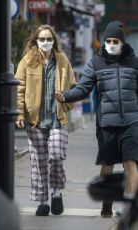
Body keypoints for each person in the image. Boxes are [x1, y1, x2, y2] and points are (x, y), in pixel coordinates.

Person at [55, 20, 138, 217]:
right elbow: (83, 88)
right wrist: (65, 95)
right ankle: (107, 205)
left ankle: (130, 207)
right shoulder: (96, 63)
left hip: (132, 122)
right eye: (108, 40)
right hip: (107, 124)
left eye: (115, 40)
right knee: (107, 165)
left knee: (131, 163)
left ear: (122, 42)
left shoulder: (134, 63)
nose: (111, 43)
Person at [15, 25, 76, 216]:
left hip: (58, 118)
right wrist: (19, 113)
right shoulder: (27, 61)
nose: (46, 42)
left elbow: (73, 87)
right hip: (35, 120)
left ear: (54, 41)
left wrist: (65, 100)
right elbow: (18, 89)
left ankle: (56, 192)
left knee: (56, 156)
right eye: (42, 39)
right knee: (38, 162)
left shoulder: (62, 60)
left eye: (49, 39)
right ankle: (43, 202)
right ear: (35, 41)